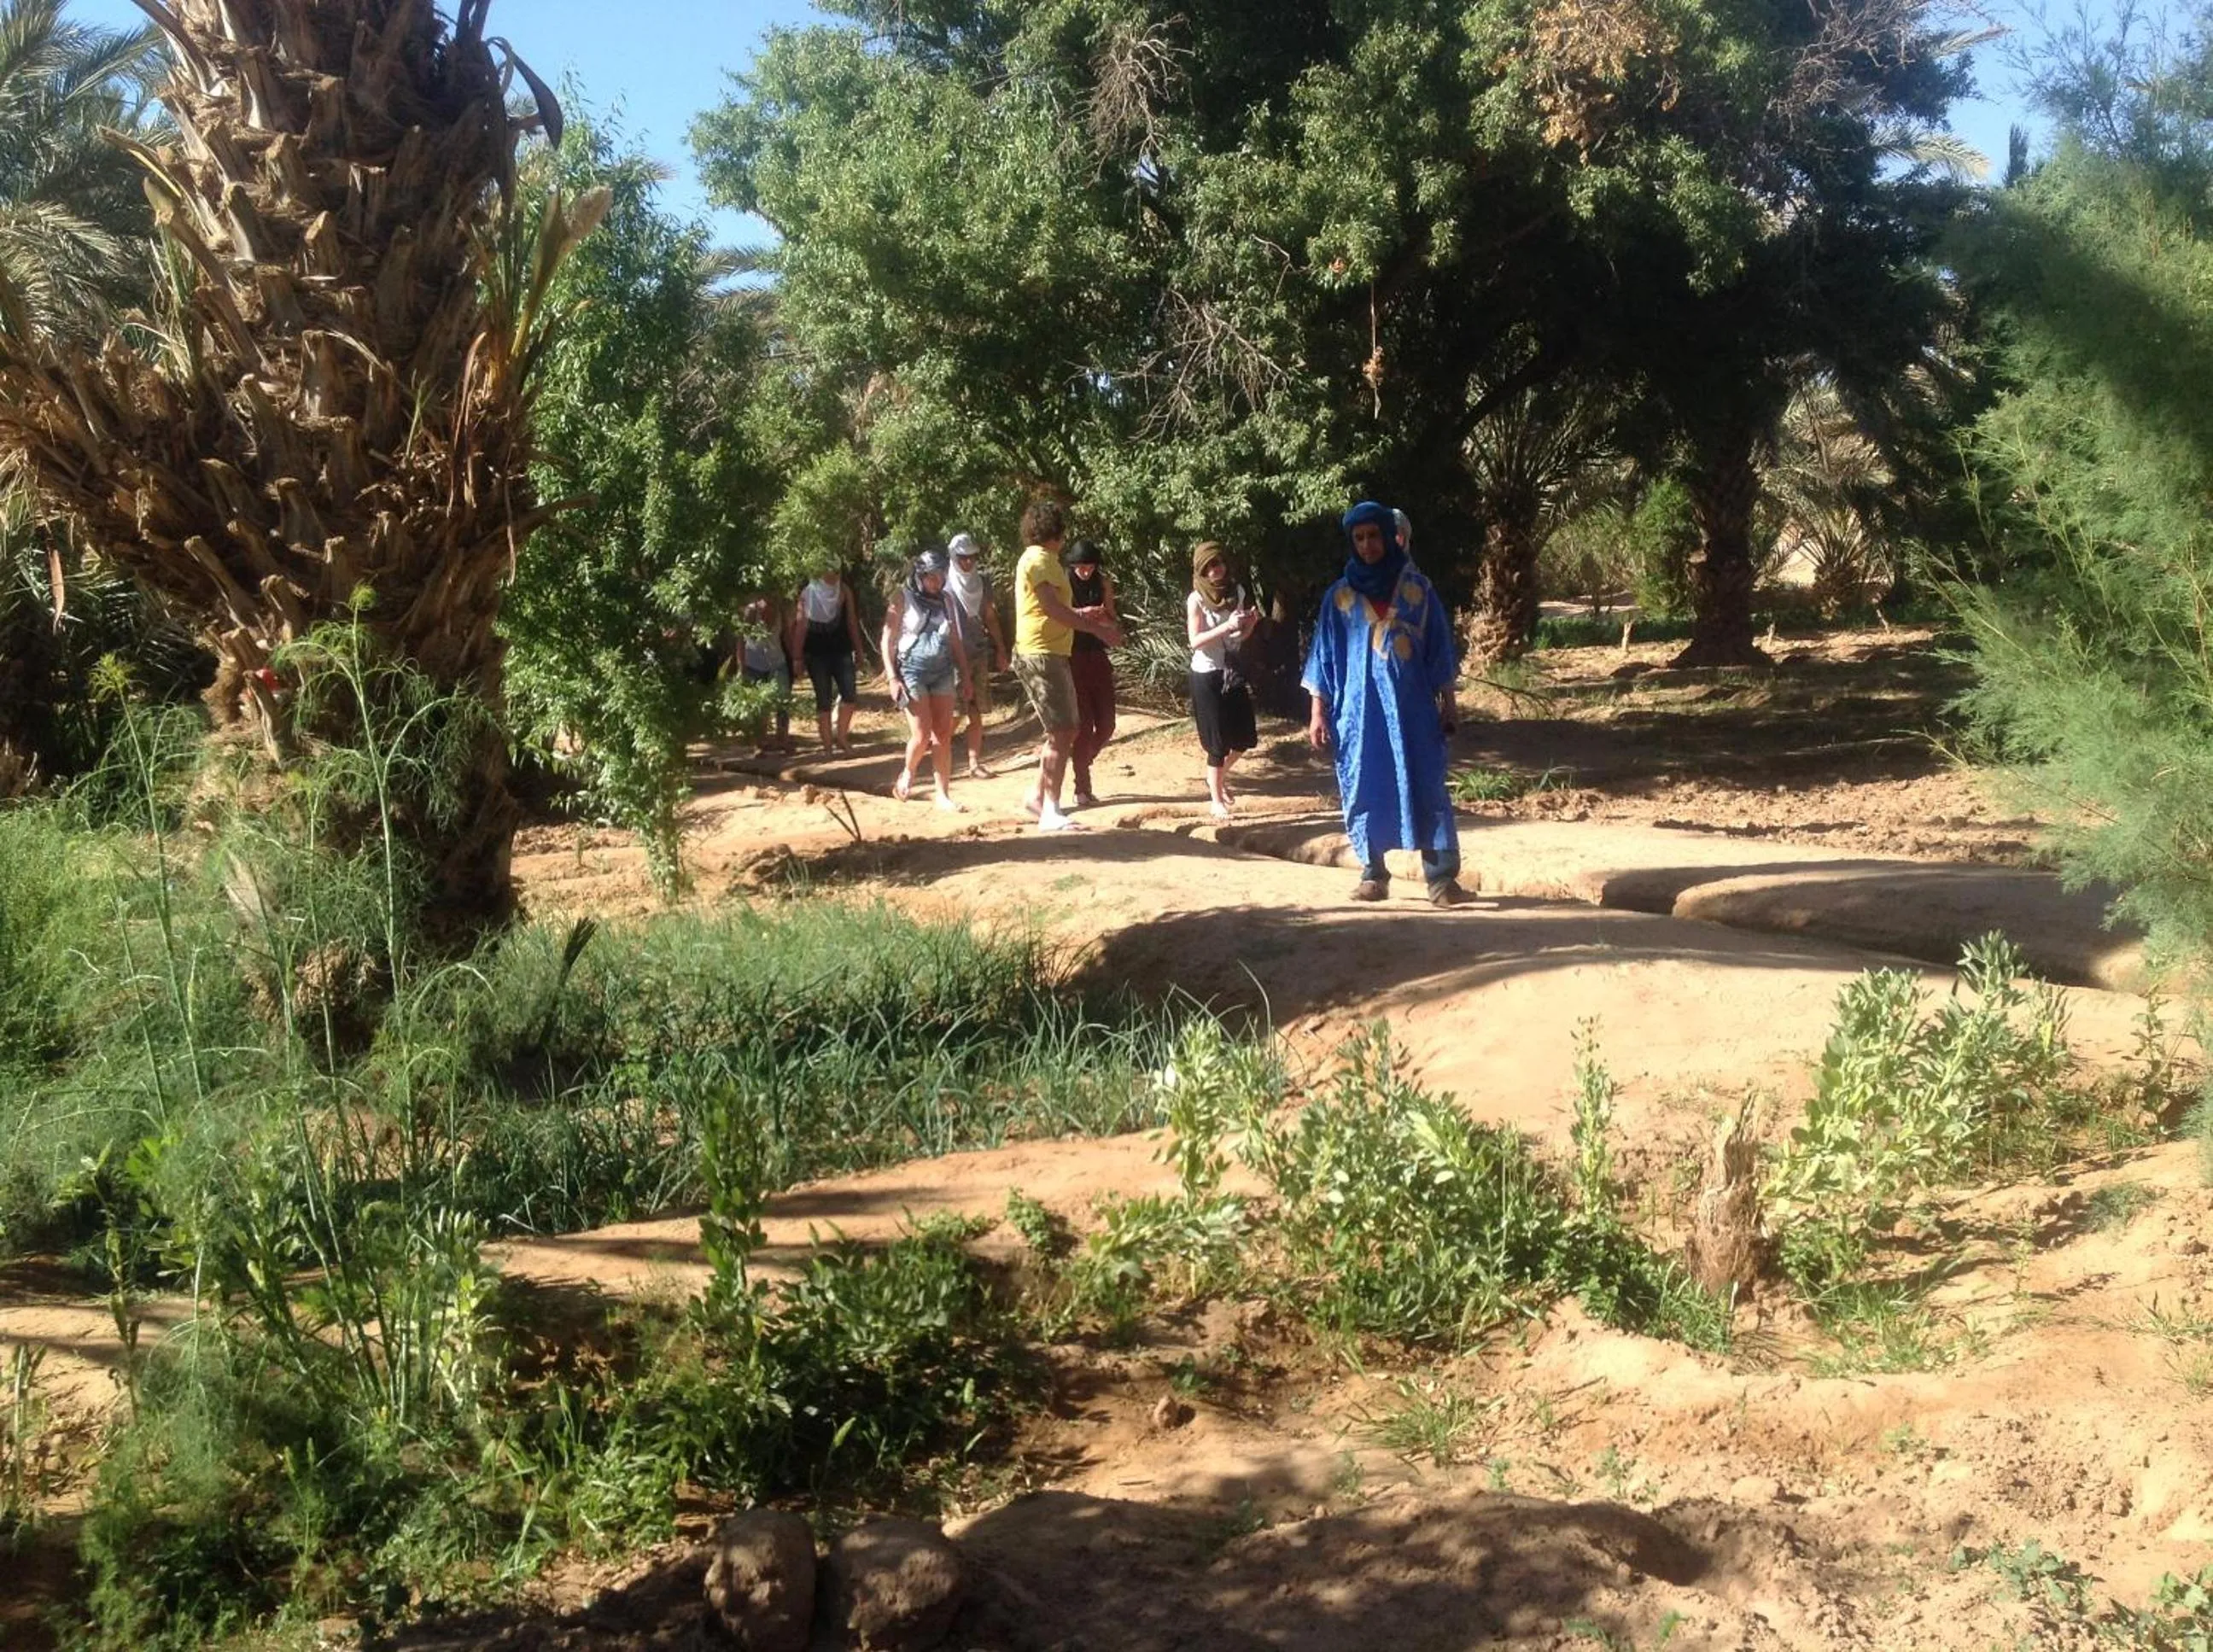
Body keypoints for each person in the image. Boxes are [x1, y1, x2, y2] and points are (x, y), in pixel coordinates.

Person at [1302, 501, 1469, 906]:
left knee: (1427, 785)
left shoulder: (1419, 591)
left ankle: (1441, 880)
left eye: (1373, 535)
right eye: (1358, 538)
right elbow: (1323, 656)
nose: (1367, 545)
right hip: (1359, 716)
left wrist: (1449, 703)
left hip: (1414, 714)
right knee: (1364, 783)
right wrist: (1317, 712)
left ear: (1388, 536)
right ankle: (1373, 874)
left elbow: (1439, 650)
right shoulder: (1339, 597)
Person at [1010, 499, 1120, 832]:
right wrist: (1097, 629)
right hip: (1042, 653)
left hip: (1051, 651)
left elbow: (1053, 607)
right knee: (1063, 731)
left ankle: (1038, 797)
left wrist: (1085, 616)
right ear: (1056, 532)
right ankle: (1051, 810)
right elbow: (1052, 609)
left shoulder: (1044, 561)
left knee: (1064, 730)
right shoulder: (1040, 560)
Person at [880, 548, 972, 812]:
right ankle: (908, 773)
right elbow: (888, 639)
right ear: (920, 575)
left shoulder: (947, 600)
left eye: (941, 576)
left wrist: (965, 675)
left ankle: (943, 794)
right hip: (912, 671)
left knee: (943, 734)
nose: (937, 581)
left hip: (942, 670)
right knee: (921, 735)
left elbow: (955, 639)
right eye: (931, 576)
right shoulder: (902, 597)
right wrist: (892, 677)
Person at [1187, 542, 1259, 822]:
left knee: (1244, 738)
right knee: (1217, 743)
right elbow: (1195, 641)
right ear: (1201, 570)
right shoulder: (1196, 599)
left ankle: (1215, 778)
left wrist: (1249, 625)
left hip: (1231, 670)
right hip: (1206, 674)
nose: (1216, 570)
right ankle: (1216, 799)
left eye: (1218, 563)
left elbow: (1236, 639)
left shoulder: (1236, 592)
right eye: (1209, 566)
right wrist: (1225, 626)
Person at [945, 531, 1007, 779]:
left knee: (976, 710)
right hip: (951, 656)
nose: (968, 561)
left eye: (972, 556)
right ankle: (938, 752)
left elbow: (990, 616)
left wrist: (1001, 649)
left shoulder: (982, 583)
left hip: (978, 652)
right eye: (962, 557)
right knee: (955, 712)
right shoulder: (944, 583)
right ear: (953, 556)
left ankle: (974, 763)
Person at [1063, 539, 1119, 808]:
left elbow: (1113, 619)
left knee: (1107, 724)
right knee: (1084, 726)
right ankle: (1082, 786)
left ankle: (1083, 760)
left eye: (1090, 566)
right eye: (1081, 566)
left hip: (1097, 654)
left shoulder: (1103, 583)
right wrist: (1082, 613)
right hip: (1072, 655)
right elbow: (1057, 615)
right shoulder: (1063, 583)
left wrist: (1104, 618)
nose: (1086, 571)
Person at [791, 565, 866, 753]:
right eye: (829, 570)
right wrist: (797, 658)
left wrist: (859, 650)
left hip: (842, 650)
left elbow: (851, 621)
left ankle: (841, 737)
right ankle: (827, 746)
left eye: (837, 571)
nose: (834, 575)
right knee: (823, 699)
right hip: (816, 653)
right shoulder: (808, 593)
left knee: (849, 695)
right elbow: (801, 626)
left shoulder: (844, 590)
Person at [735, 593, 793, 751]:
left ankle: (783, 739)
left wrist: (796, 659)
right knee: (760, 704)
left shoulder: (780, 611)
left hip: (777, 662)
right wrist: (741, 665)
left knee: (783, 701)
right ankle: (759, 743)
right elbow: (741, 639)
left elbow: (786, 636)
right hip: (754, 664)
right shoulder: (751, 612)